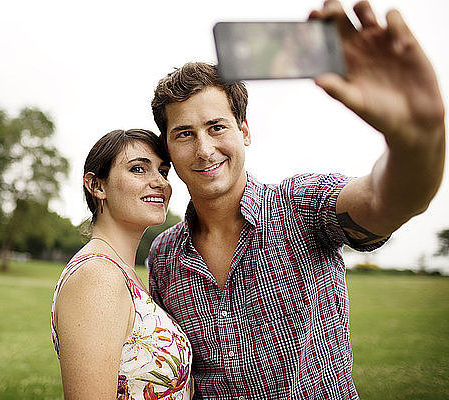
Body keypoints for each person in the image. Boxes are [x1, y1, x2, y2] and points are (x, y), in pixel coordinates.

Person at [148, 1, 445, 399]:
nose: (204, 149)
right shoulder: (163, 255)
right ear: (168, 147)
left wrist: (416, 140)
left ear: (245, 131)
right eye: (184, 134)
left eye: (216, 127)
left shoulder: (299, 206)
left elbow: (386, 200)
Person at [51, 129, 193, 399]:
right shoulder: (97, 276)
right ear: (97, 186)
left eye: (163, 171)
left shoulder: (122, 273)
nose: (159, 182)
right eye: (139, 169)